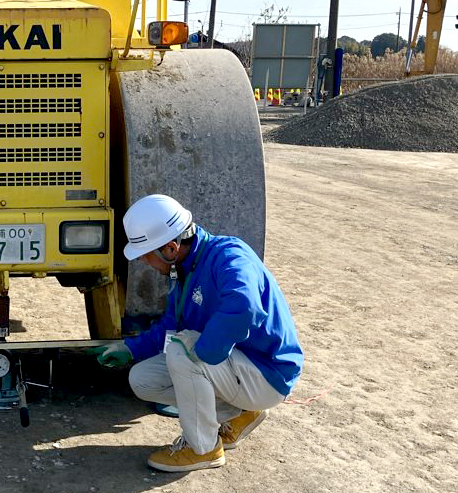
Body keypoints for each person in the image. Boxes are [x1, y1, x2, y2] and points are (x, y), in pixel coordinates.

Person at [92, 194, 303, 473]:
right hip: (239, 370)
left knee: (184, 349)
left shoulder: (228, 256)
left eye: (146, 256)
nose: (145, 262)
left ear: (169, 248)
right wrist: (130, 349)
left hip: (267, 372)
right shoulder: (184, 270)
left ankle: (203, 448)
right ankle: (241, 414)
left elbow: (244, 307)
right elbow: (171, 325)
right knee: (142, 379)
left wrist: (202, 355)